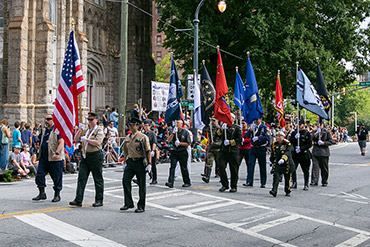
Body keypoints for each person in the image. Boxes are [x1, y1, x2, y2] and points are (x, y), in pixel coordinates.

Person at [70, 112, 105, 207]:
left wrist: (87, 140)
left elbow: (98, 142)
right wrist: (79, 130)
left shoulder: (99, 130)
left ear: (96, 120)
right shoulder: (87, 131)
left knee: (97, 179)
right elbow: (76, 138)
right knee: (81, 178)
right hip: (85, 157)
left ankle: (99, 200)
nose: (90, 121)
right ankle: (78, 199)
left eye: (91, 120)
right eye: (88, 120)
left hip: (95, 156)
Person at [120, 117, 151, 213]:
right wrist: (124, 162)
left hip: (140, 162)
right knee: (125, 180)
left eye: (132, 125)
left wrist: (149, 164)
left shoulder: (142, 137)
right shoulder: (127, 137)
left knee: (141, 184)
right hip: (130, 161)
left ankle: (141, 205)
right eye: (129, 125)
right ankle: (128, 202)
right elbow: (125, 151)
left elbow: (148, 151)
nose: (130, 126)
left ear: (137, 126)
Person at [32, 114, 65, 202]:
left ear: (53, 120)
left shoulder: (57, 130)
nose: (47, 121)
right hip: (44, 157)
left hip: (54, 158)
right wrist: (38, 146)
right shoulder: (44, 130)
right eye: (46, 119)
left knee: (57, 177)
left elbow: (61, 142)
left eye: (49, 119)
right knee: (39, 175)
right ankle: (42, 193)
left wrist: (57, 153)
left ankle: (57, 194)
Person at [216, 113, 242, 192]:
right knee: (221, 167)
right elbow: (216, 136)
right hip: (224, 151)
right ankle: (225, 184)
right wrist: (221, 129)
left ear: (234, 119)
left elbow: (239, 139)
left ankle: (233, 186)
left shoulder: (237, 128)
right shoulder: (224, 127)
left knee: (234, 169)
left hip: (233, 151)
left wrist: (230, 142)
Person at [245, 116, 271, 188]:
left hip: (261, 148)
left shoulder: (264, 127)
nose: (256, 121)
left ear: (261, 119)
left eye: (257, 119)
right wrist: (250, 130)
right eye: (255, 119)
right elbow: (246, 136)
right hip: (253, 148)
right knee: (250, 164)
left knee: (262, 165)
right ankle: (249, 181)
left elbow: (268, 137)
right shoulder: (253, 127)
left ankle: (263, 182)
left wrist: (259, 138)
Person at [165, 119, 192, 188]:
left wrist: (180, 143)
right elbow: (168, 140)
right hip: (174, 151)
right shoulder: (174, 131)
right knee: (172, 167)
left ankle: (187, 182)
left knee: (184, 167)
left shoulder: (185, 132)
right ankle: (170, 182)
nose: (176, 124)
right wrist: (173, 133)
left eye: (178, 123)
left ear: (181, 124)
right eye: (176, 123)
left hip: (182, 151)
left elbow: (188, 143)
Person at [269, 131, 294, 197]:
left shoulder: (287, 143)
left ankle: (287, 190)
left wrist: (283, 159)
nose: (278, 137)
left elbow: (288, 152)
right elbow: (273, 154)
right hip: (278, 163)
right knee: (276, 176)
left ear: (283, 137)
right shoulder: (274, 144)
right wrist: (271, 161)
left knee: (287, 177)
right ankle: (274, 190)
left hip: (287, 163)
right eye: (277, 136)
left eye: (280, 136)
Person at [289, 118, 312, 190]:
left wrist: (301, 148)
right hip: (296, 154)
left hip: (304, 154)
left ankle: (306, 184)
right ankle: (294, 182)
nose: (298, 126)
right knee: (293, 169)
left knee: (305, 170)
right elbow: (289, 142)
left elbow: (309, 144)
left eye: (300, 124)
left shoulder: (307, 133)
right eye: (297, 124)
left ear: (303, 125)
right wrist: (294, 138)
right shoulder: (294, 133)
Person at [311, 120, 333, 187]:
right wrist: (316, 134)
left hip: (324, 152)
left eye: (320, 124)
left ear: (323, 125)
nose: (318, 126)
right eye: (317, 124)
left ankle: (324, 181)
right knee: (315, 167)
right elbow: (311, 139)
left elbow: (330, 141)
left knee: (324, 168)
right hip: (316, 152)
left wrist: (324, 143)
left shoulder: (326, 132)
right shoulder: (315, 132)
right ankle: (314, 181)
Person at [201, 117, 222, 183]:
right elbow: (203, 132)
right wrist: (207, 125)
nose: (213, 122)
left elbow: (222, 139)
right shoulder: (210, 128)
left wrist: (216, 144)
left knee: (220, 164)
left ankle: (222, 177)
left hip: (218, 148)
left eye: (214, 120)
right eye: (212, 120)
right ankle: (207, 177)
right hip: (211, 148)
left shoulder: (220, 129)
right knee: (209, 162)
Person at [143, 119, 158, 184]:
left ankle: (154, 179)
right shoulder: (143, 134)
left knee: (153, 166)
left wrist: (153, 150)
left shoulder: (152, 133)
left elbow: (154, 142)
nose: (146, 127)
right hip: (145, 151)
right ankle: (141, 178)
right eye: (145, 125)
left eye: (147, 126)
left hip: (151, 151)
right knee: (144, 165)